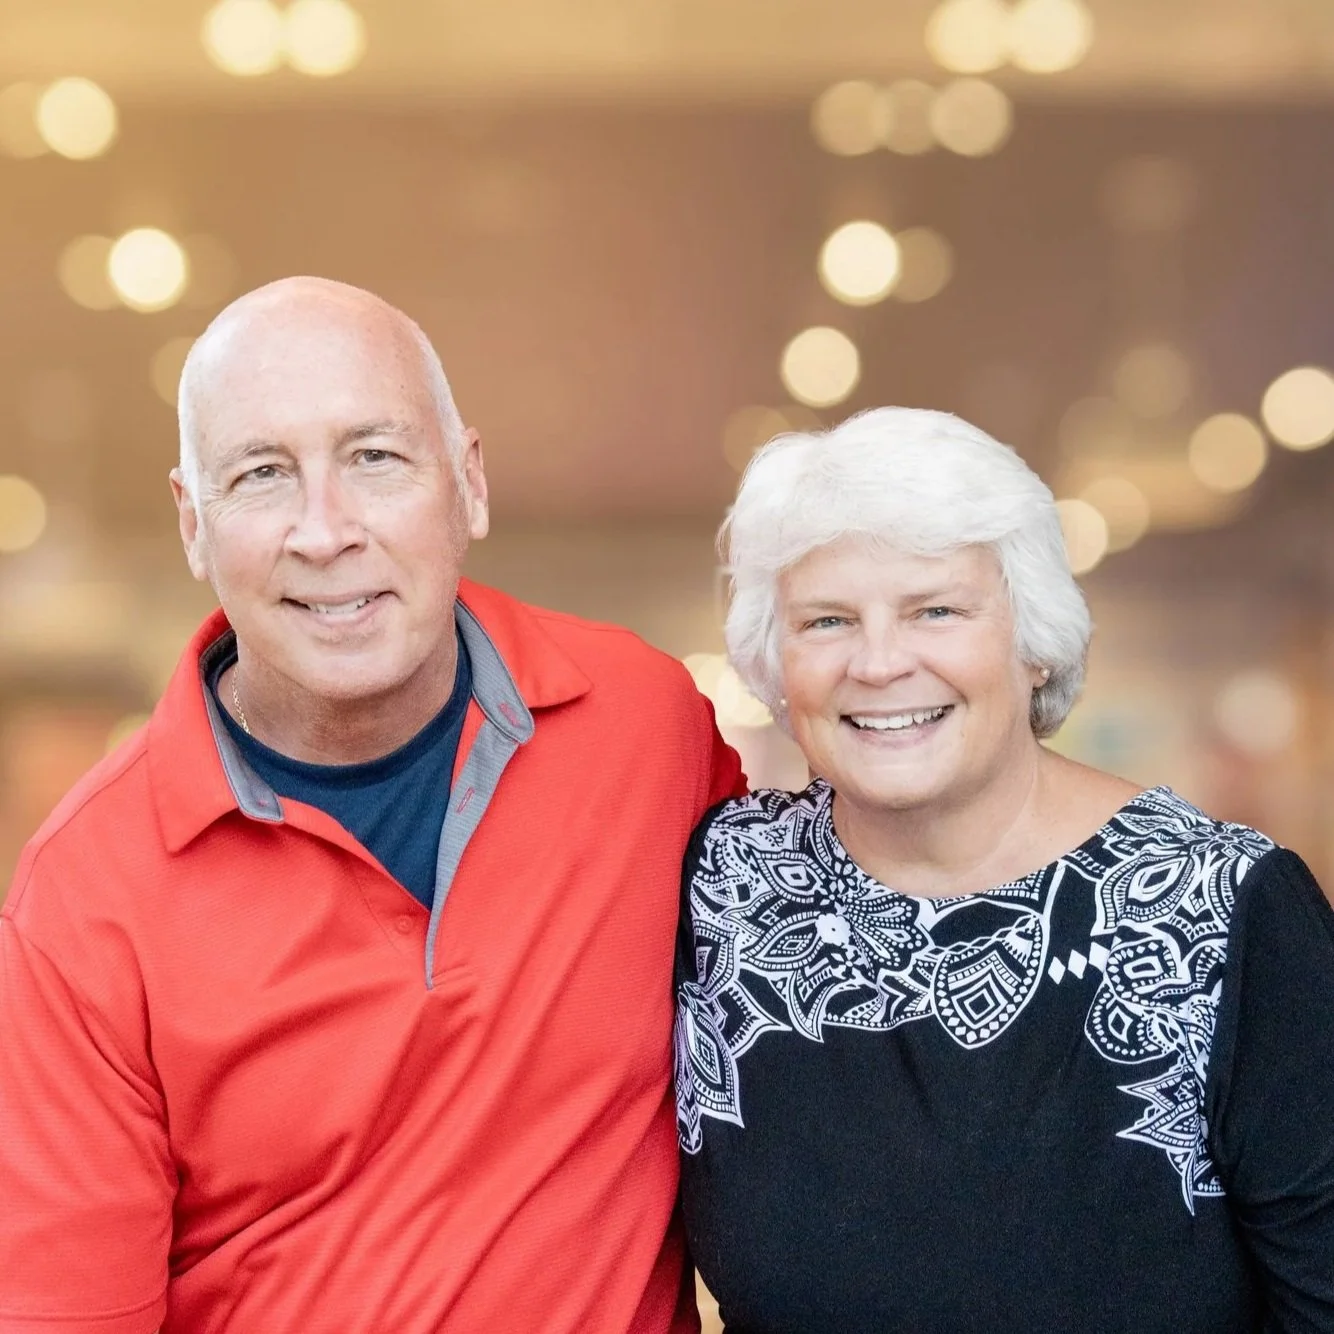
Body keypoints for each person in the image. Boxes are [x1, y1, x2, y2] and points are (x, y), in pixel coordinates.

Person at [0, 277, 743, 1334]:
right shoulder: (82, 897)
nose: (324, 529)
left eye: (374, 457)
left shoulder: (645, 724)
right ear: (193, 525)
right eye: (261, 474)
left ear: (468, 483)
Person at [674, 407, 1334, 1332]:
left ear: (1033, 642)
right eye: (826, 620)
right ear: (777, 667)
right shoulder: (726, 887)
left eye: (934, 610)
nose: (878, 662)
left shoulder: (1225, 910)